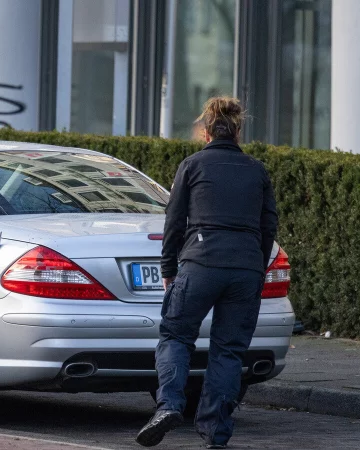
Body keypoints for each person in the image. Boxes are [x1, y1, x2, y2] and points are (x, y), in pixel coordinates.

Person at [136, 97, 278, 448]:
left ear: (205, 132)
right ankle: (216, 434)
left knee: (176, 336)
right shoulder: (257, 170)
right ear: (238, 132)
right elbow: (269, 225)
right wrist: (255, 266)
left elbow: (174, 223)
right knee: (228, 350)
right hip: (245, 269)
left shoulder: (193, 165)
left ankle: (169, 405)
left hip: (200, 263)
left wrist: (168, 269)